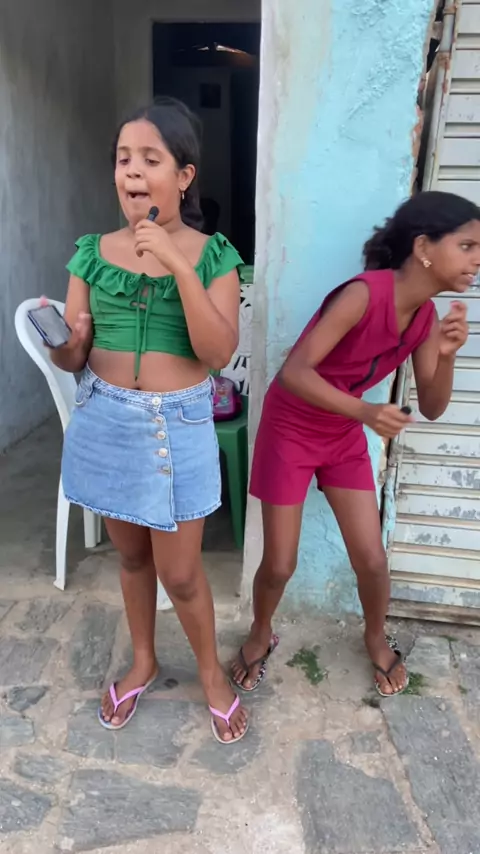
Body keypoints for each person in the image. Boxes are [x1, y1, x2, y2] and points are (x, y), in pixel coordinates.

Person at [50, 97, 248, 743]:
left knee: (182, 573)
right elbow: (72, 356)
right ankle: (143, 660)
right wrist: (68, 344)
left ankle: (211, 674)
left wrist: (177, 264)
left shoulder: (214, 255)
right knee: (132, 558)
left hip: (178, 425)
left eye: (150, 159)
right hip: (106, 418)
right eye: (123, 158)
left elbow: (217, 354)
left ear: (184, 177)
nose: (131, 171)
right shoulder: (90, 253)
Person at [232, 191, 480, 698]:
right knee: (280, 563)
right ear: (424, 248)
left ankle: (373, 636)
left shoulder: (426, 319)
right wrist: (366, 412)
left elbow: (433, 406)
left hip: (340, 432)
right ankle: (260, 632)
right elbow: (295, 372)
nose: (477, 259)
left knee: (371, 559)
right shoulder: (364, 295)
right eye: (467, 245)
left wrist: (449, 354)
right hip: (292, 427)